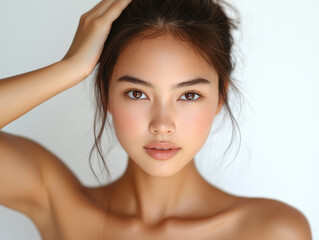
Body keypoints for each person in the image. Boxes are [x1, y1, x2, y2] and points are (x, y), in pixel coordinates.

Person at [0, 0, 312, 239]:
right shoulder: (59, 205)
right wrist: (69, 68)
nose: (162, 124)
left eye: (189, 95)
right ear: (106, 93)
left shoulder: (272, 230)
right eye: (137, 93)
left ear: (220, 97)